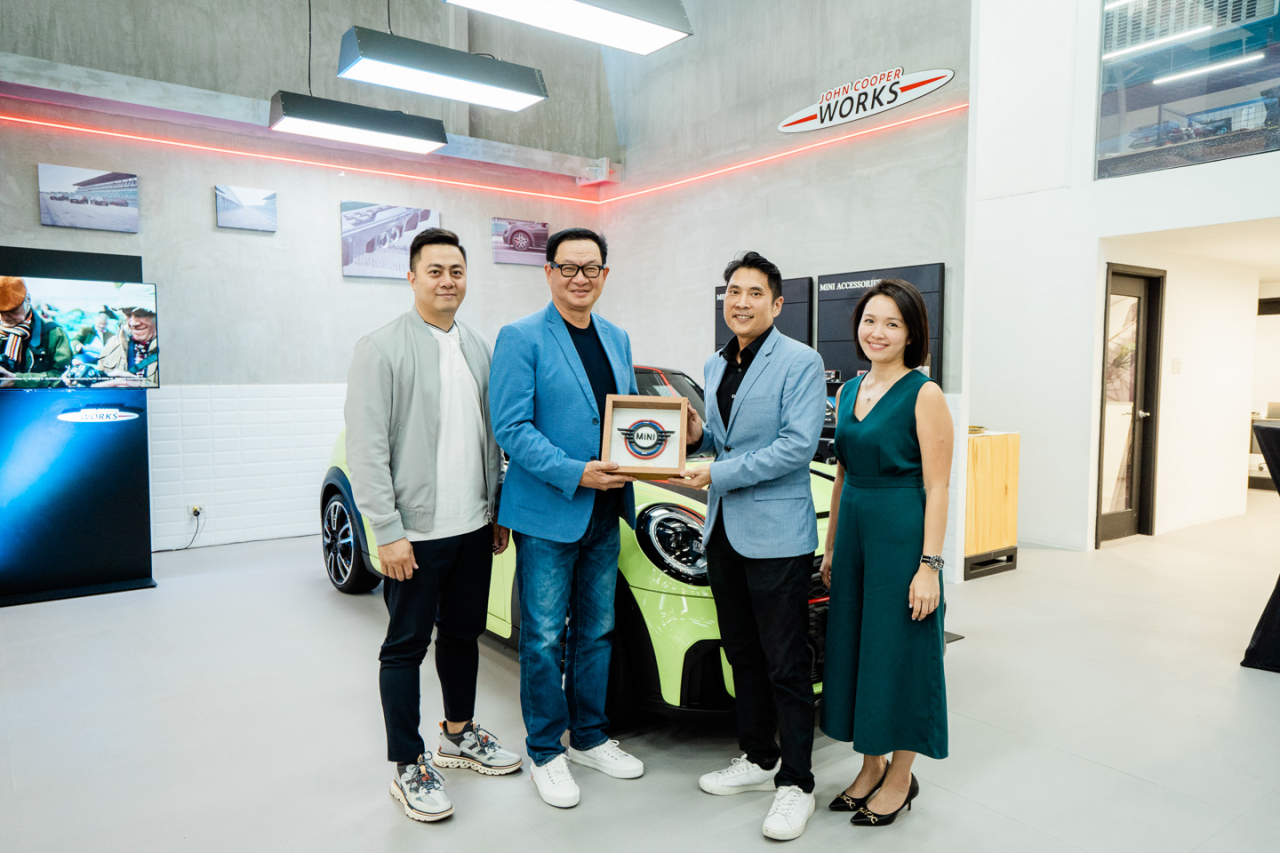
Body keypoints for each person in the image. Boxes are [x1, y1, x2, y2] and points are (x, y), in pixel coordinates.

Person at [345, 228, 521, 824]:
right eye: (436, 271)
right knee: (405, 648)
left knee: (464, 635)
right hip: (414, 536)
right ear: (413, 277)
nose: (448, 281)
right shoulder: (381, 348)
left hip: (472, 528)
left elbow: (492, 438)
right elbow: (367, 450)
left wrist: (495, 510)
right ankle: (407, 762)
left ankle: (458, 733)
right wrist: (387, 531)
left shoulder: (477, 346)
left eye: (457, 271)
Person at [489, 227, 645, 809]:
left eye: (591, 268)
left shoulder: (617, 337)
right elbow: (511, 427)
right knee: (544, 638)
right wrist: (575, 472)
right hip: (549, 512)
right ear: (549, 272)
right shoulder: (521, 337)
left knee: (597, 631)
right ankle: (544, 751)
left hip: (606, 511)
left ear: (605, 274)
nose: (581, 278)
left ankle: (590, 737)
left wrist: (661, 444)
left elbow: (631, 416)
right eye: (569, 267)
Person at [675, 251, 826, 841]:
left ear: (777, 303)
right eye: (733, 292)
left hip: (778, 534)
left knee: (786, 662)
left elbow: (796, 446)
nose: (741, 302)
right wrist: (695, 436)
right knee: (741, 652)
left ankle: (797, 783)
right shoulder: (715, 364)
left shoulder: (801, 361)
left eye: (754, 293)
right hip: (723, 531)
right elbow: (724, 441)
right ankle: (759, 756)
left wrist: (718, 472)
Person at [818, 278, 953, 828]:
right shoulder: (849, 391)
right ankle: (870, 765)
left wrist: (930, 567)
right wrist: (831, 545)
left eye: (892, 323)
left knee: (900, 653)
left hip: (901, 537)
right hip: (854, 536)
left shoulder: (925, 394)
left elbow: (938, 487)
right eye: (870, 321)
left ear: (911, 333)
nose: (878, 332)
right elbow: (841, 473)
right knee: (858, 650)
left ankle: (900, 776)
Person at [0, 276, 72, 388]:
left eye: (12, 311)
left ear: (27, 300)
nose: (3, 318)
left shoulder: (53, 333)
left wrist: (18, 380)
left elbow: (62, 376)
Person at [96, 305, 159, 386]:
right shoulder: (113, 343)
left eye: (141, 315)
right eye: (128, 315)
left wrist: (140, 385)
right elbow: (99, 377)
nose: (132, 323)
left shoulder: (172, 348)